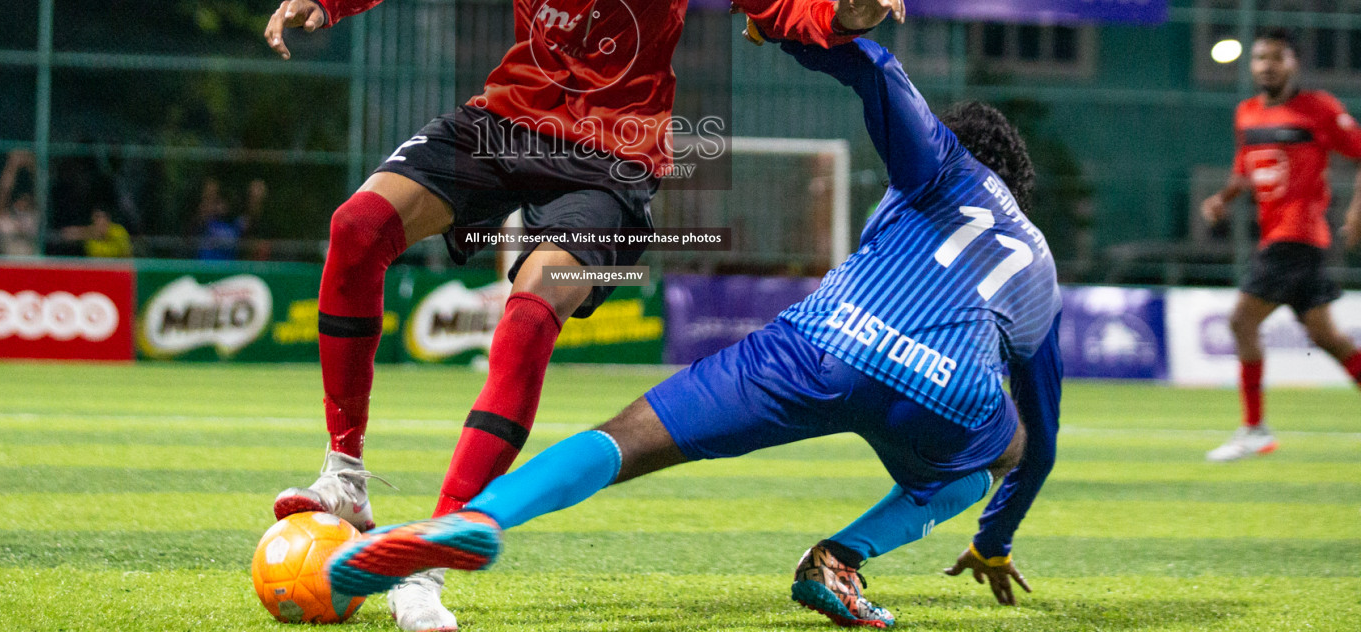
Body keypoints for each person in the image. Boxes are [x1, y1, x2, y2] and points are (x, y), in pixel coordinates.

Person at [262, 0, 884, 631]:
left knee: (529, 311)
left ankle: (427, 559)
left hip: (614, 158)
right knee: (356, 227)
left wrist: (842, 20)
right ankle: (345, 477)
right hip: (508, 119)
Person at [324, 31, 1063, 630]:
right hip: (950, 399)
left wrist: (788, 28)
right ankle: (841, 557)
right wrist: (994, 543)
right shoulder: (1041, 264)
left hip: (824, 345)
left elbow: (877, 66)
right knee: (994, 455)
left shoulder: (938, 164)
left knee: (629, 438)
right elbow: (1043, 442)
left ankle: (476, 518)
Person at [1199, 29, 1361, 462]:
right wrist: (1222, 199)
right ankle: (1254, 430)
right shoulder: (1247, 113)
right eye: (1259, 58)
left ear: (1294, 63)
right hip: (1281, 237)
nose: (1266, 65)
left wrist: (1356, 212)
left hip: (1298, 235)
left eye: (1276, 57)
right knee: (1325, 336)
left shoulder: (1318, 109)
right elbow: (1243, 171)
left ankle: (1254, 430)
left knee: (1241, 323)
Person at [192, 177, 266, 261]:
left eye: (223, 203)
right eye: (217, 202)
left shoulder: (237, 223)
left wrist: (255, 200)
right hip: (204, 267)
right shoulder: (205, 222)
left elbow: (252, 221)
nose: (220, 207)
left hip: (229, 269)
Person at [0, 149, 41, 256]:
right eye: (20, 199)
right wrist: (12, 165)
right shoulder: (4, 218)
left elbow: (40, 189)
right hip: (8, 266)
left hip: (33, 266)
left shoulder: (33, 216)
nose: (23, 202)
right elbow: (3, 192)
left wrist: (31, 164)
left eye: (26, 199)